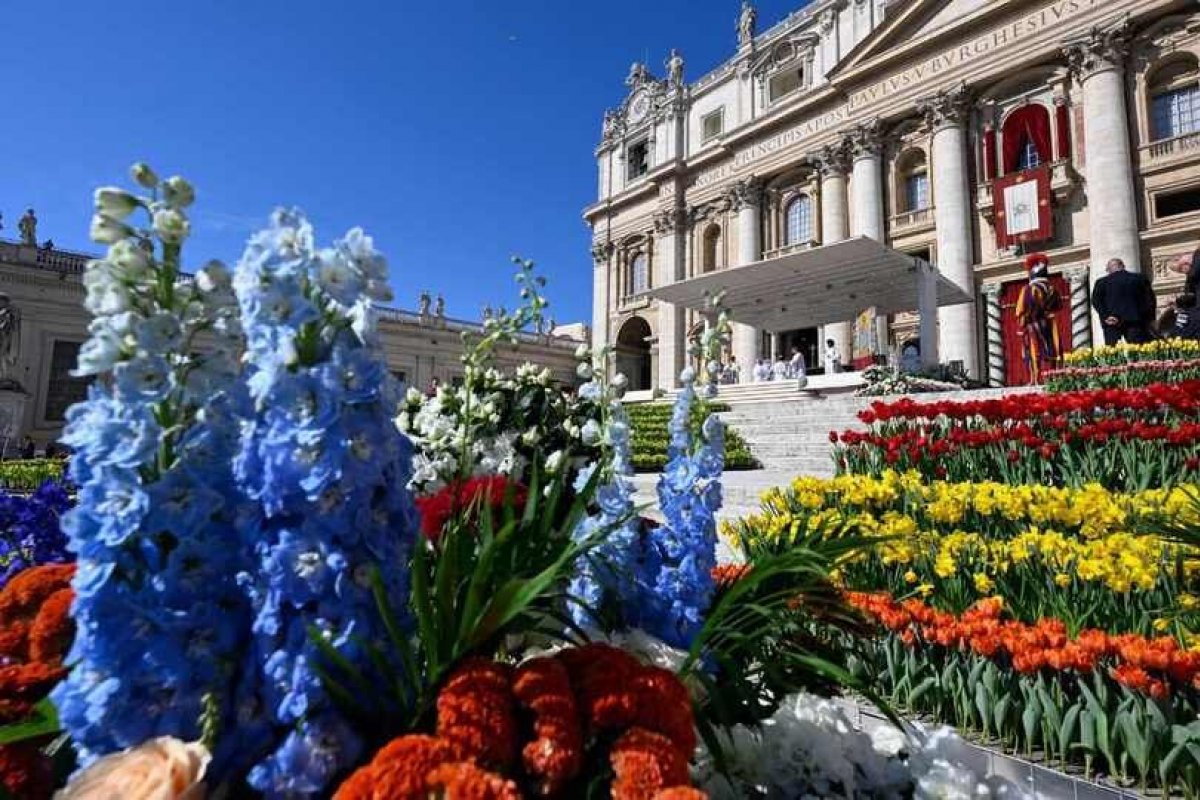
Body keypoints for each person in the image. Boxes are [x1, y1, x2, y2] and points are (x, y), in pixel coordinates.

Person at [1015, 252, 1064, 384]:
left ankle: (1035, 379)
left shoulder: (1028, 289)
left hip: (1033, 324)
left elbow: (1021, 309)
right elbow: (1059, 306)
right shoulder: (1052, 289)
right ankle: (1053, 377)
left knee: (1033, 350)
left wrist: (1021, 325)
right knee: (1052, 349)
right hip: (1050, 323)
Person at [1091, 258, 1155, 346]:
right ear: (1123, 266)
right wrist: (1150, 318)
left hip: (1112, 321)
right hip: (1135, 321)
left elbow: (1096, 301)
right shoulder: (1139, 278)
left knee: (1113, 350)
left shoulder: (1101, 282)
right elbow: (1150, 300)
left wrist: (1106, 316)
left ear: (1109, 269)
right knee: (1138, 349)